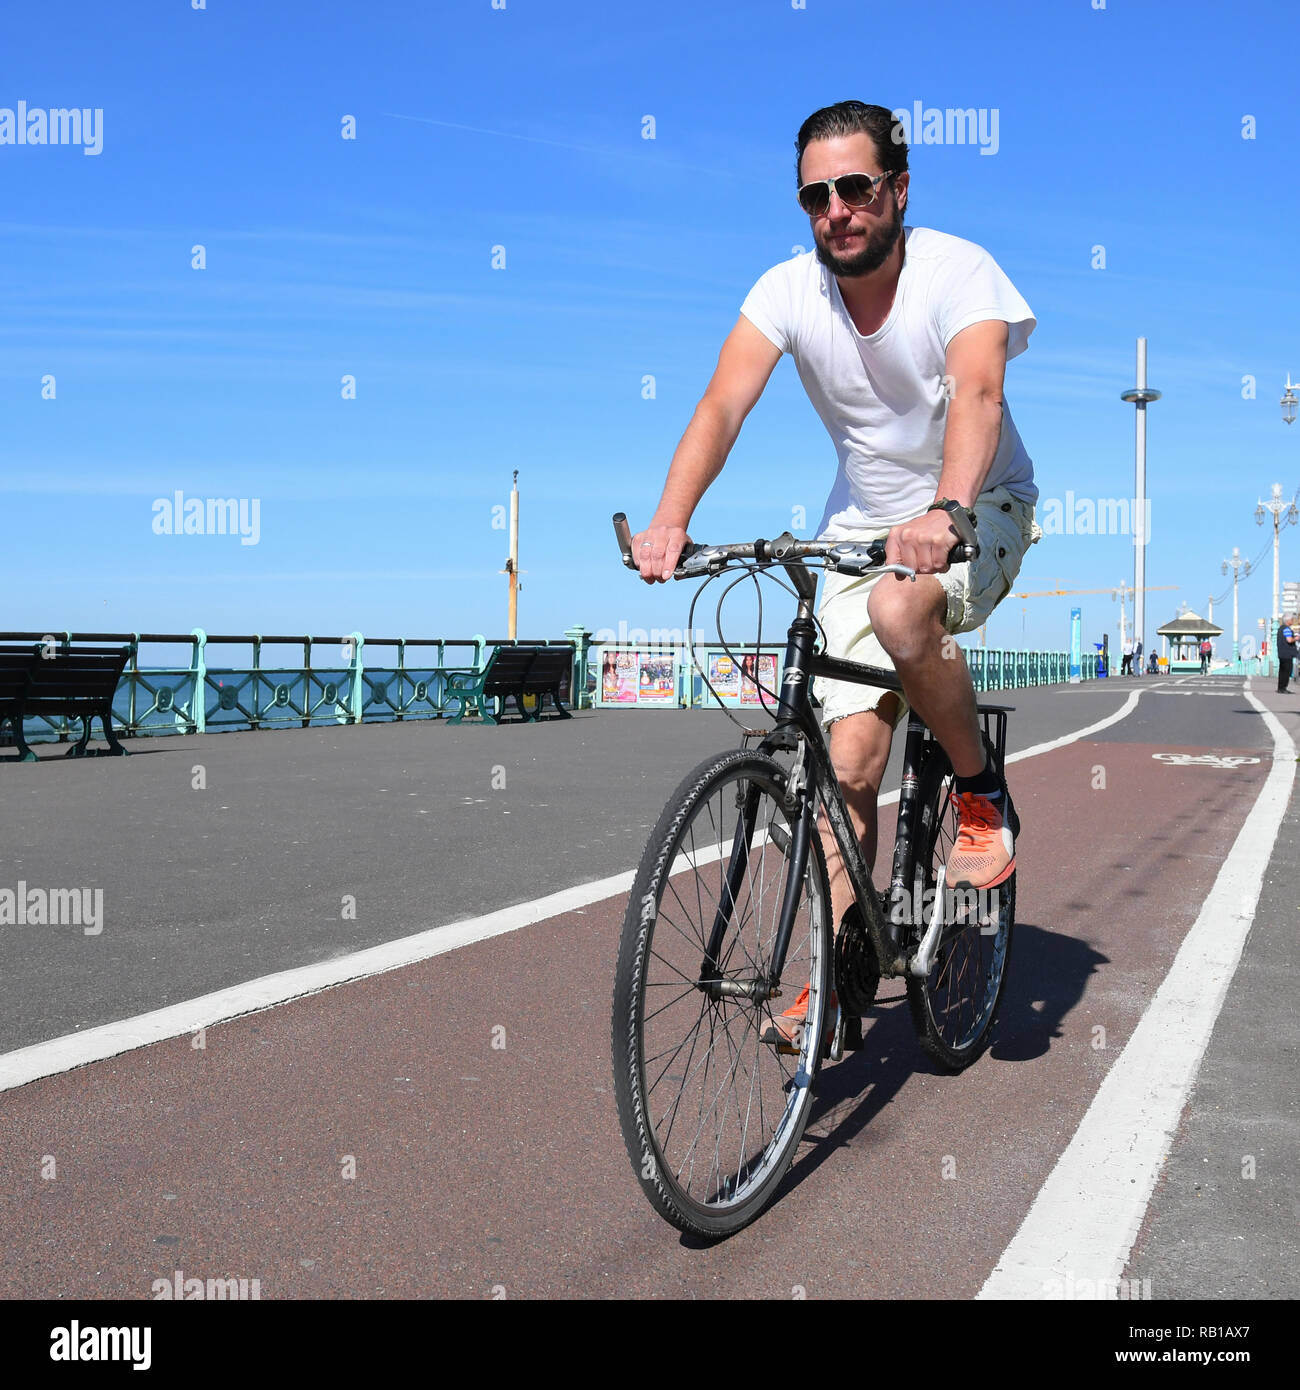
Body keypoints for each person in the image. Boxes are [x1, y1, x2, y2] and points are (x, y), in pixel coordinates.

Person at [628, 100, 1040, 1044]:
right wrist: (670, 522)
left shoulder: (955, 270)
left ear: (896, 189)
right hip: (858, 526)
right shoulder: (786, 291)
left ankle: (980, 797)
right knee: (845, 763)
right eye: (816, 195)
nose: (836, 211)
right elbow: (724, 402)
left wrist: (947, 510)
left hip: (978, 504)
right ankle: (839, 978)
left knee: (903, 615)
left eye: (855, 188)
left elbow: (979, 389)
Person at [1277, 615, 1297, 693]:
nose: (1292, 621)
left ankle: (1280, 688)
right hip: (1287, 654)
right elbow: (1289, 640)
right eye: (1291, 619)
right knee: (1287, 671)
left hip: (1281, 653)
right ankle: (1283, 688)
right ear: (1287, 621)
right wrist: (1296, 638)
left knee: (1282, 671)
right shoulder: (1287, 629)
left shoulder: (1281, 629)